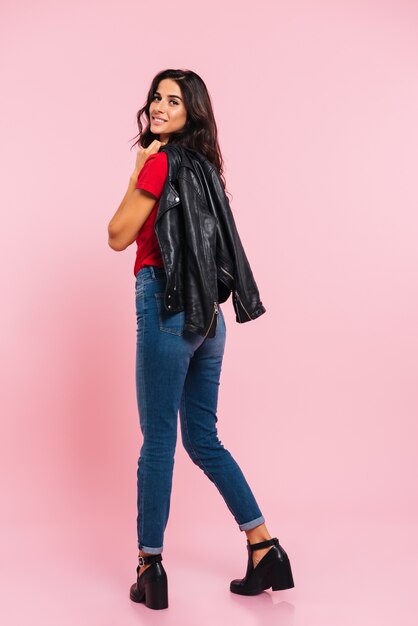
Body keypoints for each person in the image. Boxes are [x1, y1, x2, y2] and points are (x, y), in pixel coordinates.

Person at [108, 69, 294, 610]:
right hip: (208, 321)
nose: (160, 106)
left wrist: (137, 170)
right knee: (203, 439)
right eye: (156, 98)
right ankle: (265, 547)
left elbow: (118, 236)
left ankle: (150, 567)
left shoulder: (161, 163)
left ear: (192, 112)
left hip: (165, 307)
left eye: (174, 100)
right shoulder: (206, 168)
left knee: (160, 440)